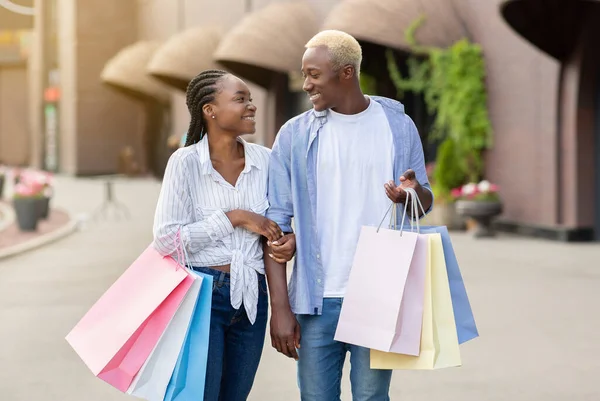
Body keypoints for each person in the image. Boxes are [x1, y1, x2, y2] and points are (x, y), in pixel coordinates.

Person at [264, 30, 434, 401]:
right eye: (304, 74)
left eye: (313, 74)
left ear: (346, 73)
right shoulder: (294, 135)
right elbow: (274, 224)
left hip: (379, 291)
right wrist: (279, 308)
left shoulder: (398, 126)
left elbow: (424, 197)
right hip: (316, 296)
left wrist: (411, 193)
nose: (306, 84)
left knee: (372, 397)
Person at [153, 69, 295, 401]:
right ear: (210, 109)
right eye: (240, 98)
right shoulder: (185, 163)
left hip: (252, 298)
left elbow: (280, 225)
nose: (252, 106)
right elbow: (166, 240)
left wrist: (289, 241)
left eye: (250, 98)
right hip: (203, 296)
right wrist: (235, 217)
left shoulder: (266, 160)